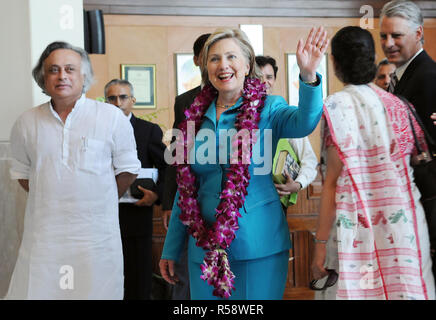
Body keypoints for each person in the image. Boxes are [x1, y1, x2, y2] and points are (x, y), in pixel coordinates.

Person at [159, 26, 328, 300]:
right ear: (206, 67)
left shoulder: (270, 107)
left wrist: (308, 77)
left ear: (248, 64)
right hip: (203, 248)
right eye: (214, 59)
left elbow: (305, 122)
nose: (223, 65)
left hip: (258, 244)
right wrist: (171, 248)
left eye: (231, 57)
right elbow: (185, 187)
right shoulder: (193, 117)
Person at [6, 42, 141, 299]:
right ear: (43, 78)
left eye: (70, 69)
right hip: (44, 237)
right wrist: (54, 195)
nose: (62, 76)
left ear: (84, 77)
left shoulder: (111, 117)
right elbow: (23, 174)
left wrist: (97, 199)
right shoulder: (26, 122)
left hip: (96, 237)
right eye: (53, 70)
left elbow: (128, 169)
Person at [311, 26, 435, 300]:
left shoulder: (335, 107)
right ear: (371, 58)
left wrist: (319, 246)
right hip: (404, 230)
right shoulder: (399, 106)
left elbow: (331, 183)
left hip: (354, 230)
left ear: (335, 63)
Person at [380, 0, 436, 282]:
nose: (388, 43)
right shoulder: (402, 77)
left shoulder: (428, 77)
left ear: (417, 33)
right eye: (383, 36)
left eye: (397, 35)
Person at [104, 79, 166, 300]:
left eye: (122, 97)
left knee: (138, 278)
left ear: (132, 100)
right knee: (105, 277)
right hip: (102, 217)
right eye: (111, 98)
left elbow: (167, 168)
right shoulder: (96, 131)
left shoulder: (148, 131)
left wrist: (157, 194)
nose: (117, 103)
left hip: (137, 215)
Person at [162, 33, 211, 300]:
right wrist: (169, 201)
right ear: (197, 60)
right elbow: (176, 151)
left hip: (232, 197)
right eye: (209, 54)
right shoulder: (185, 101)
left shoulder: (245, 98)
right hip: (190, 197)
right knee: (186, 274)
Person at [256, 55, 317, 207]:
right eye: (258, 77)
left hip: (276, 203)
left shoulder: (283, 116)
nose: (265, 82)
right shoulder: (238, 117)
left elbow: (309, 160)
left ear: (274, 80)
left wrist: (297, 184)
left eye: (269, 77)